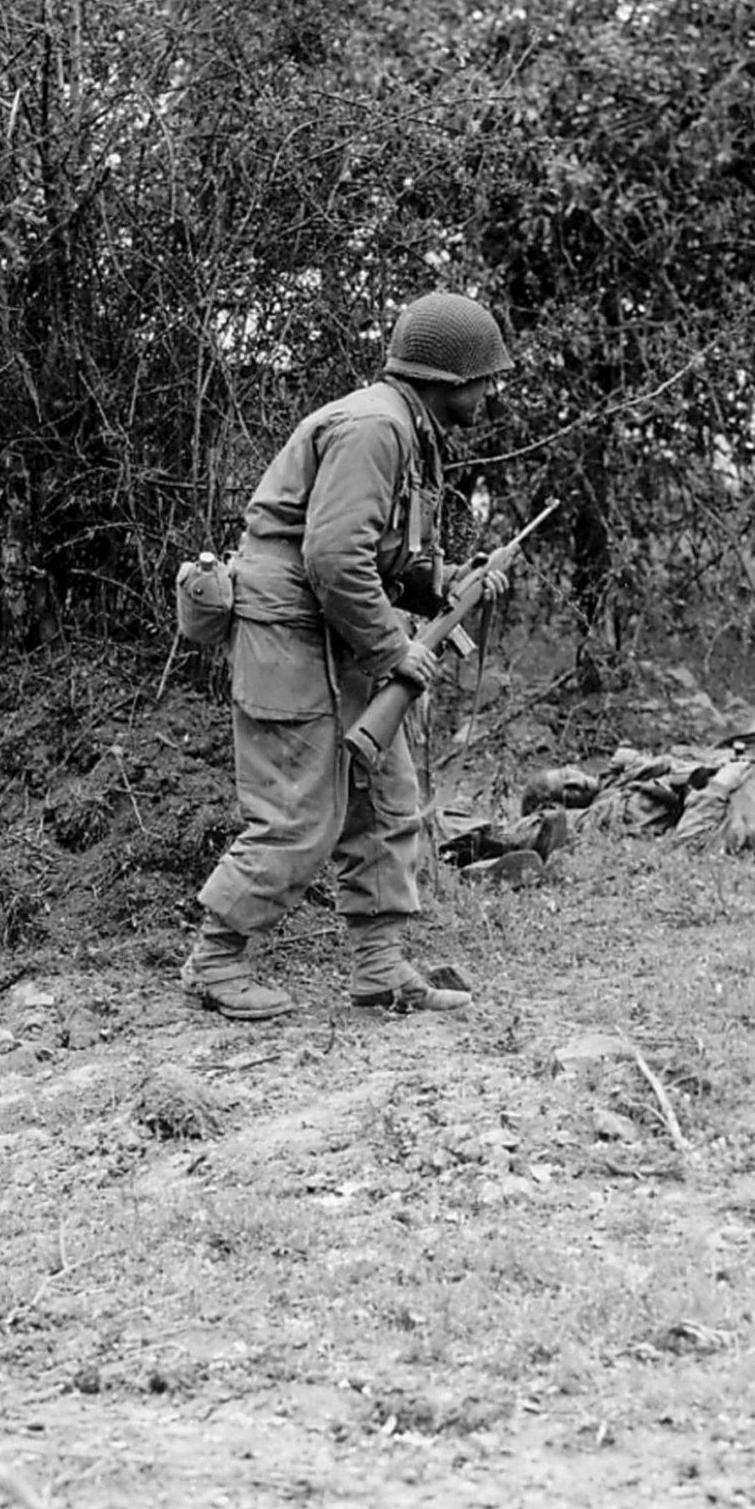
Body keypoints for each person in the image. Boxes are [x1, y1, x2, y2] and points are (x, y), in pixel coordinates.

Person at [188, 290, 513, 1022]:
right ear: (449, 377)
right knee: (298, 811)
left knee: (385, 796)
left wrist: (444, 587)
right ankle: (215, 960)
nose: (489, 394)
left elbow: (375, 552)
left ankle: (380, 967)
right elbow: (334, 559)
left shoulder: (406, 428)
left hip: (334, 626)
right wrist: (395, 647)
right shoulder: (376, 428)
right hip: (292, 629)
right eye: (484, 379)